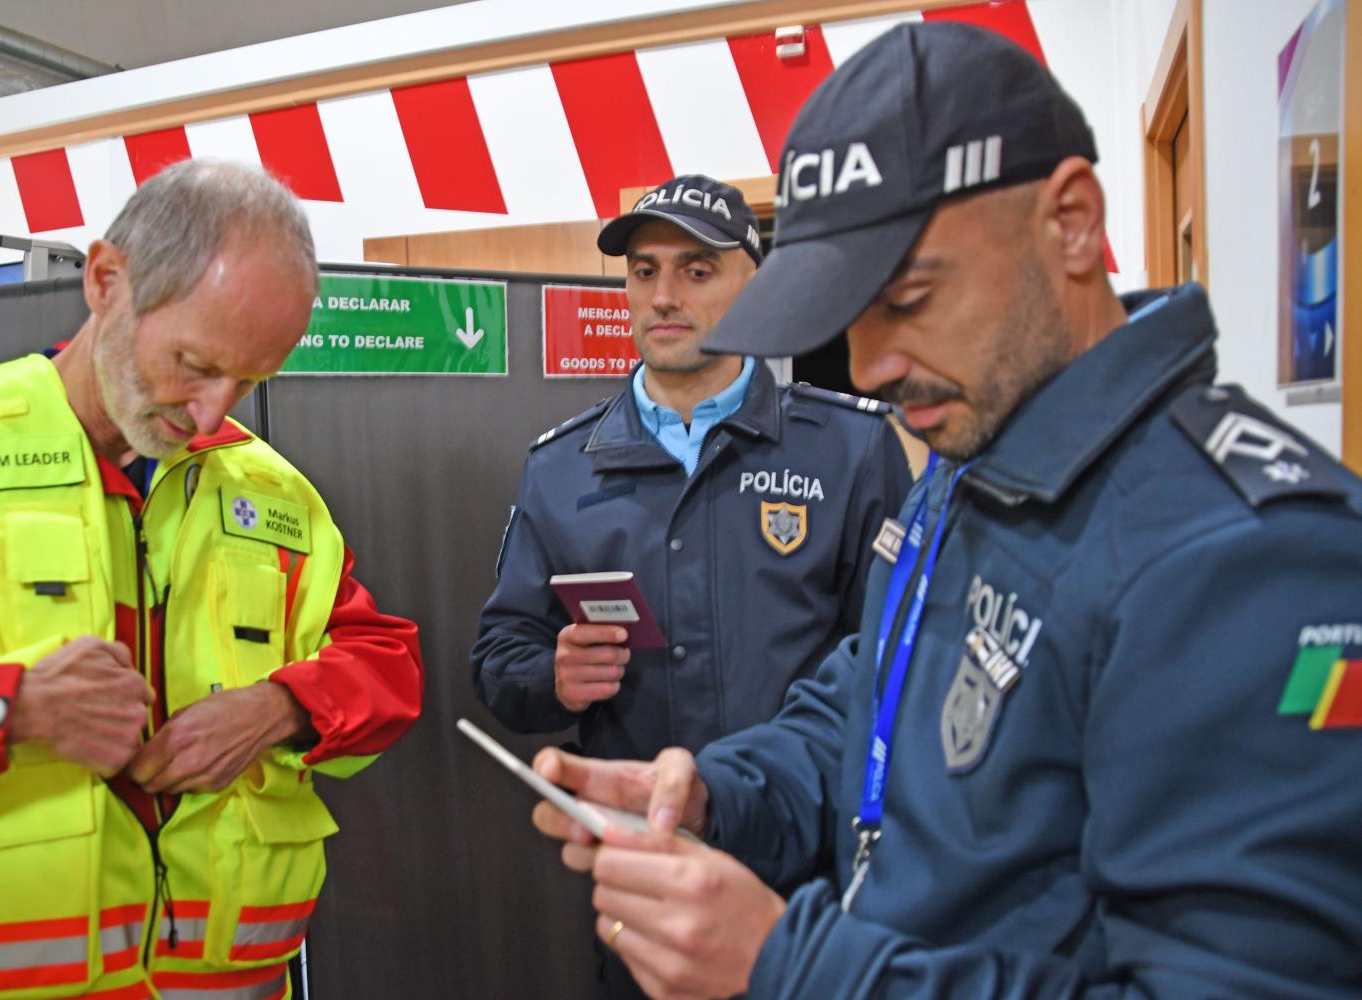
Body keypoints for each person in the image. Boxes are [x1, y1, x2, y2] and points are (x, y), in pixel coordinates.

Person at [529, 22, 1362, 1000]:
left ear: (1073, 223)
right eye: (853, 316)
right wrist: (722, 790)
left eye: (912, 297)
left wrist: (797, 968)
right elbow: (873, 694)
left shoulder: (1245, 554)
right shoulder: (980, 434)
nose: (875, 367)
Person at [0, 159, 425, 998]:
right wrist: (9, 709)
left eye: (250, 379)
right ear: (105, 280)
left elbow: (386, 665)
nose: (211, 410)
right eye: (194, 362)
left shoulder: (272, 492)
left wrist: (281, 708)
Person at [473, 173, 910, 995]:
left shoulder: (849, 451)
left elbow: (889, 665)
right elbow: (500, 657)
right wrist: (553, 679)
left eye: (696, 270)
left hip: (808, 888)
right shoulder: (561, 468)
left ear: (756, 283)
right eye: (644, 271)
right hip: (645, 882)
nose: (663, 296)